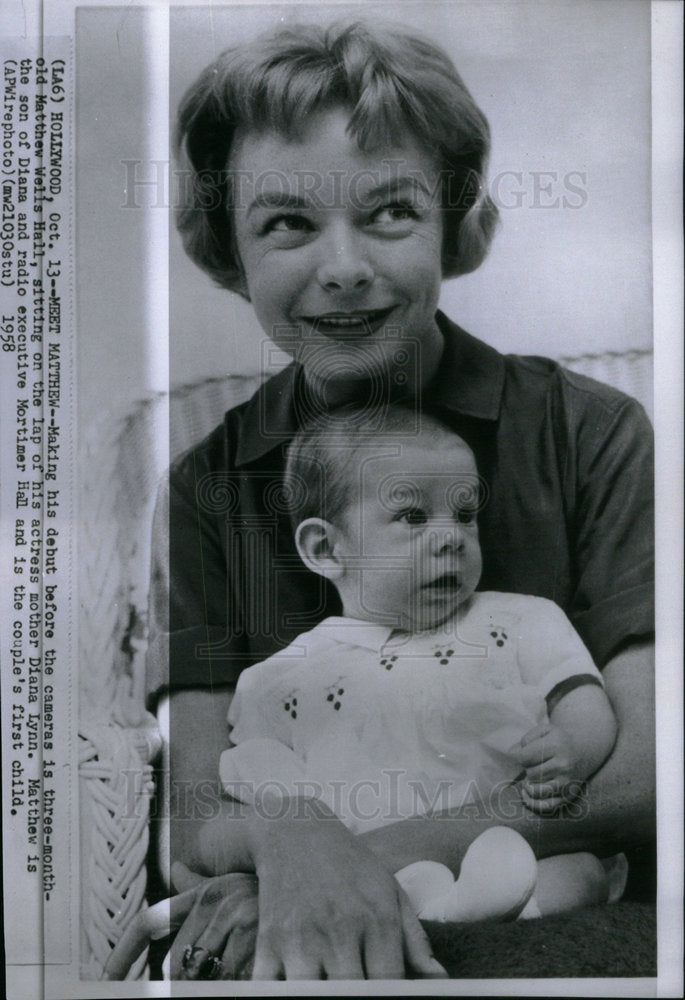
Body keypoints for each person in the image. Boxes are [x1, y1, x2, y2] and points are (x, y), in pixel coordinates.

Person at [144, 20, 654, 981]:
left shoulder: (592, 434)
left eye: (388, 212)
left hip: (555, 911)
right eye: (286, 222)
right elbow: (199, 808)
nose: (342, 267)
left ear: (453, 228)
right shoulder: (205, 482)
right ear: (233, 252)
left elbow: (644, 780)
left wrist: (328, 866)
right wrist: (289, 850)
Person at [220, 405, 627, 924]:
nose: (452, 537)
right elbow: (262, 781)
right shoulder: (284, 678)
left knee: (580, 873)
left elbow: (583, 698)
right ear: (326, 548)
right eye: (413, 517)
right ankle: (452, 912)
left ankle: (481, 909)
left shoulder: (519, 619)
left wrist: (575, 748)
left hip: (522, 846)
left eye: (464, 515)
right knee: (375, 892)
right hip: (380, 867)